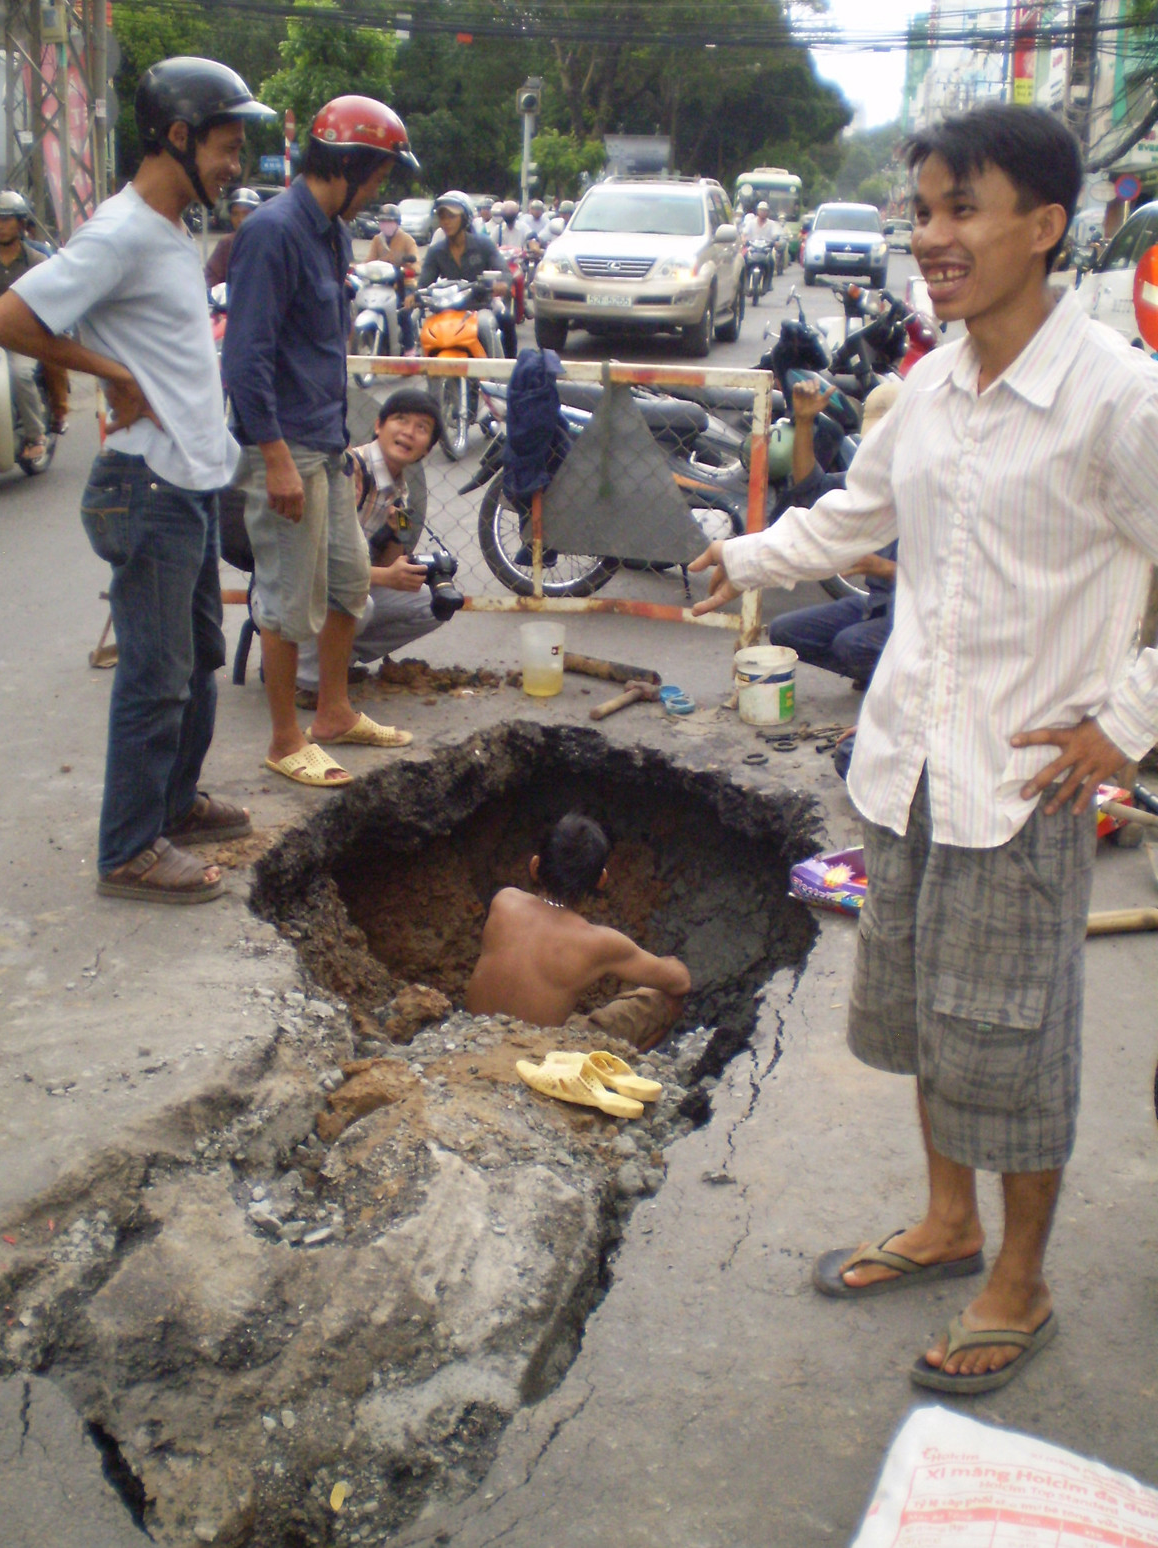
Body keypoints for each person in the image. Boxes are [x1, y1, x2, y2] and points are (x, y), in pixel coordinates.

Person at [691, 103, 1158, 1394]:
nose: (931, 238)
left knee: (1010, 1040)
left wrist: (1122, 723)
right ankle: (948, 1222)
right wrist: (735, 556)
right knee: (921, 1022)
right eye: (923, 212)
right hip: (903, 765)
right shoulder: (932, 388)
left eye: (962, 210)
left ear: (1045, 227)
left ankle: (1022, 1277)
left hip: (1022, 788)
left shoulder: (1119, 400)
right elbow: (848, 519)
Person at [0, 59, 275, 901]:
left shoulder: (168, 226)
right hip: (145, 486)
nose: (236, 165)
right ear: (180, 138)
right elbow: (11, 313)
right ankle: (129, 849)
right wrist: (106, 372)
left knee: (196, 661)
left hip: (185, 481)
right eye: (227, 146)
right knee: (155, 674)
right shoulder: (118, 232)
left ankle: (175, 805)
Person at [224, 95, 421, 788]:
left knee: (346, 585)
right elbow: (245, 358)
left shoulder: (333, 232)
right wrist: (273, 457)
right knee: (285, 598)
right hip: (285, 448)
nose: (380, 189)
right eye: (380, 175)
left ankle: (333, 713)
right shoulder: (272, 232)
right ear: (351, 165)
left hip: (327, 442)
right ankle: (284, 739)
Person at [465, 814, 692, 1053]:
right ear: (601, 880)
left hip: (473, 1040)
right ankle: (617, 1072)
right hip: (535, 1057)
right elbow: (680, 983)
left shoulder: (504, 900)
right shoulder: (597, 942)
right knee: (666, 1000)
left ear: (535, 866)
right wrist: (670, 963)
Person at [296, 390, 447, 697]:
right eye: (401, 420)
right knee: (358, 603)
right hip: (296, 584)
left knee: (432, 603)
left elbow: (383, 569)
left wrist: (394, 539)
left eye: (421, 428)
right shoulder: (348, 469)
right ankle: (307, 681)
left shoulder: (400, 494)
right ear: (379, 425)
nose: (408, 432)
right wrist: (386, 577)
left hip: (339, 586)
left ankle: (337, 662)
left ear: (427, 449)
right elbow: (317, 561)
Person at [767, 379, 899, 689]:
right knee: (784, 632)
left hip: (917, 612)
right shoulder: (873, 479)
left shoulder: (935, 486)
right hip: (877, 605)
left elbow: (956, 579)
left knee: (850, 644)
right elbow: (810, 489)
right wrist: (804, 423)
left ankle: (900, 679)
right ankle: (877, 672)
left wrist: (886, 569)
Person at [415, 190, 514, 360]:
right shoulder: (436, 251)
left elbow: (504, 271)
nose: (446, 222)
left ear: (465, 218)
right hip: (448, 309)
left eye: (451, 216)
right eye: (442, 217)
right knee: (428, 330)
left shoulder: (483, 244)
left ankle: (502, 375)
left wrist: (502, 284)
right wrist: (414, 295)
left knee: (497, 322)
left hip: (481, 306)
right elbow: (424, 282)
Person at [0, 189, 51, 459]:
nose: (1, 225)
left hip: (24, 340)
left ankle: (35, 435)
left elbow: (48, 302)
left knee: (19, 374)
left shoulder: (37, 261)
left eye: (7, 219)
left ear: (21, 223)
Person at [365, 202, 420, 350]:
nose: (386, 224)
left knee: (403, 313)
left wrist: (409, 269)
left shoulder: (407, 240)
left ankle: (410, 349)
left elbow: (416, 263)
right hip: (383, 286)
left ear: (397, 223)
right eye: (383, 221)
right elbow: (369, 261)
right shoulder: (377, 240)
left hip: (404, 285)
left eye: (390, 221)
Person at [203, 185, 260, 288]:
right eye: (235, 214)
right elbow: (211, 279)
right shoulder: (227, 243)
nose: (240, 219)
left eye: (246, 213)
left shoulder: (269, 240)